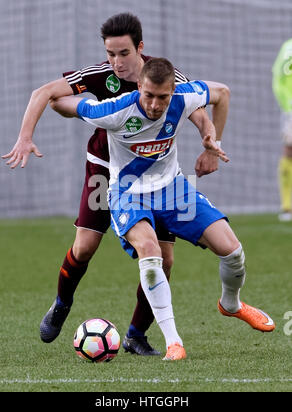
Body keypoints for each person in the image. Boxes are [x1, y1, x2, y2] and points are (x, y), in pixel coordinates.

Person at [51, 57, 276, 361]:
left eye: (163, 97)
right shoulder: (116, 109)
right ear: (139, 87)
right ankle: (174, 342)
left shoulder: (184, 97)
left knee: (232, 250)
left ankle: (231, 304)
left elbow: (222, 93)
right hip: (127, 193)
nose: (155, 105)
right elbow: (61, 103)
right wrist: (61, 104)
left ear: (173, 91)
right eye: (149, 95)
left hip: (173, 190)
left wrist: (212, 142)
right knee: (150, 250)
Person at [2, 13, 199, 355]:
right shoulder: (100, 75)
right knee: (85, 247)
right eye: (110, 54)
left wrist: (209, 135)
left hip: (153, 175)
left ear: (140, 47)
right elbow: (45, 93)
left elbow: (196, 105)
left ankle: (136, 335)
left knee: (163, 261)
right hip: (104, 170)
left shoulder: (162, 75)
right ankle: (62, 303)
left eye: (123, 53)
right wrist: (25, 137)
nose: (116, 62)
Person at [272, 38, 292, 222]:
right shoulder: (288, 48)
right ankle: (287, 206)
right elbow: (278, 77)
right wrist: (288, 106)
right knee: (289, 152)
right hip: (291, 109)